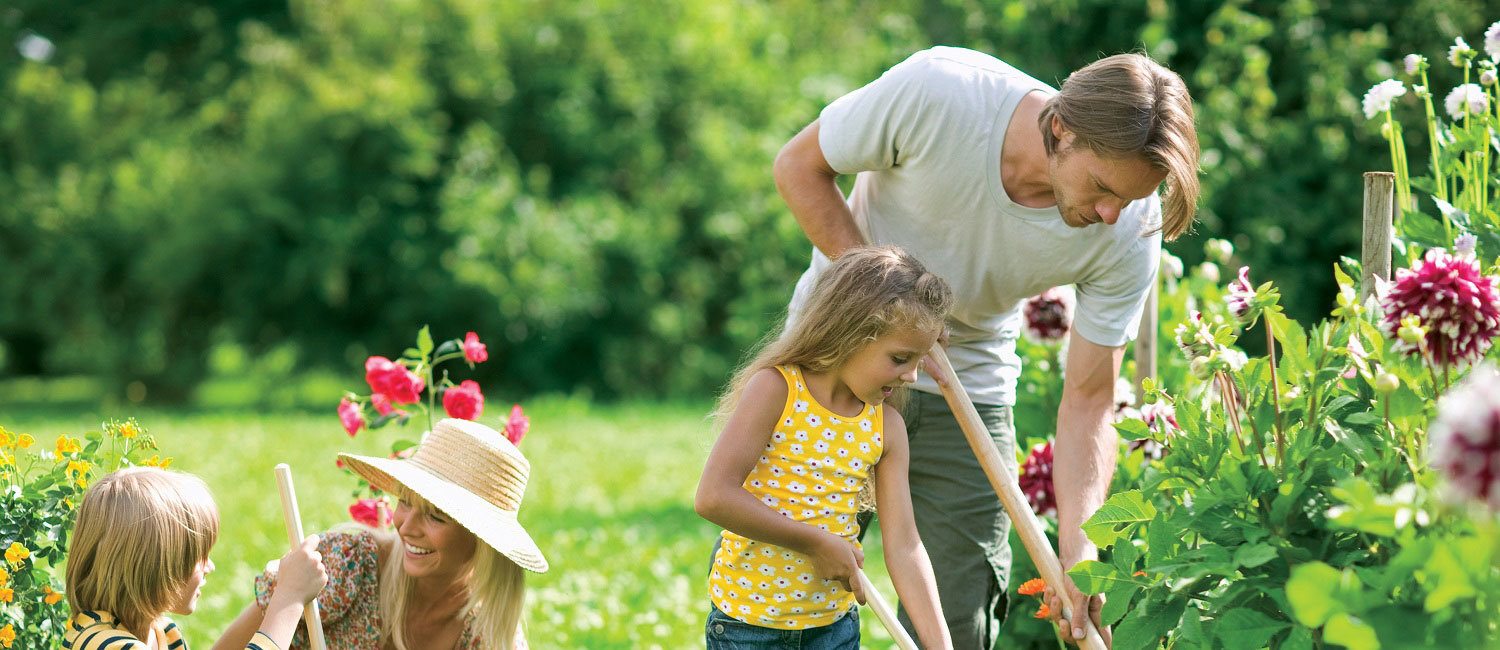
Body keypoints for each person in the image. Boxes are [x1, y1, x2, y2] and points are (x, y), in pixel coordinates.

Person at [773, 46, 1200, 648]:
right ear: (1060, 128)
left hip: (967, 379)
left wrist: (1081, 551)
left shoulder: (1129, 227)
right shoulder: (940, 93)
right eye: (1104, 187)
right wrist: (885, 302)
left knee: (959, 619)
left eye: (1128, 199)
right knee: (783, 595)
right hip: (836, 362)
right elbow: (798, 166)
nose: (1111, 214)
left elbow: (1088, 398)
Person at [695, 245, 956, 650]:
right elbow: (714, 497)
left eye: (919, 360)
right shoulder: (776, 390)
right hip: (749, 627)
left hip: (834, 631)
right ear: (851, 333)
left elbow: (905, 545)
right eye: (901, 357)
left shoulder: (887, 427)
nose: (911, 375)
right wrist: (815, 542)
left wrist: (941, 645)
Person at [215, 418, 548, 650]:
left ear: (483, 542)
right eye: (404, 501)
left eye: (435, 517)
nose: (406, 525)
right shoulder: (346, 565)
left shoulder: (486, 634)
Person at [63, 467, 327, 650]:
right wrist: (288, 599)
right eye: (199, 557)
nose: (210, 566)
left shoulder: (162, 631)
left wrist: (274, 597)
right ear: (158, 567)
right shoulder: (99, 642)